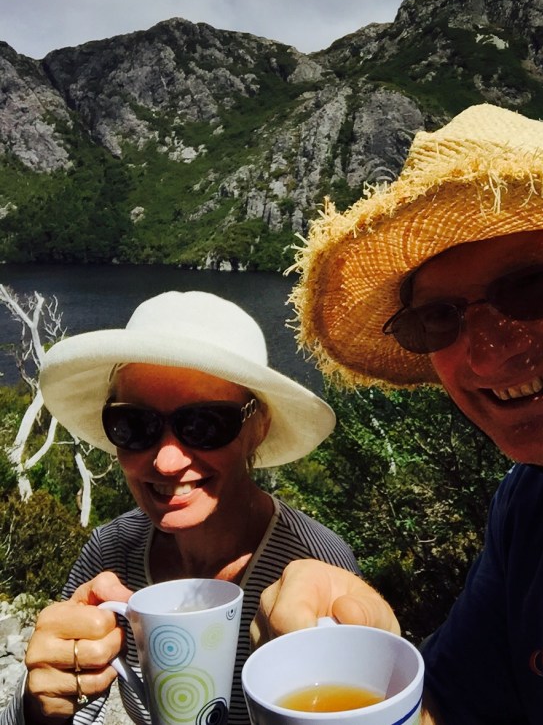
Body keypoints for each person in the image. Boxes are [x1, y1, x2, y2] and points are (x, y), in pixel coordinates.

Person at [252, 104, 543, 724]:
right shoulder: (531, 505)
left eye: (533, 286)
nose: (487, 359)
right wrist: (375, 664)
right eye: (438, 319)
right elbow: (452, 711)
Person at [1, 291, 359, 725]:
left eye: (205, 424)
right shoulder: (111, 553)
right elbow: (70, 704)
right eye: (135, 425)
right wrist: (39, 707)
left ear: (258, 427)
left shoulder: (314, 564)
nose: (167, 462)